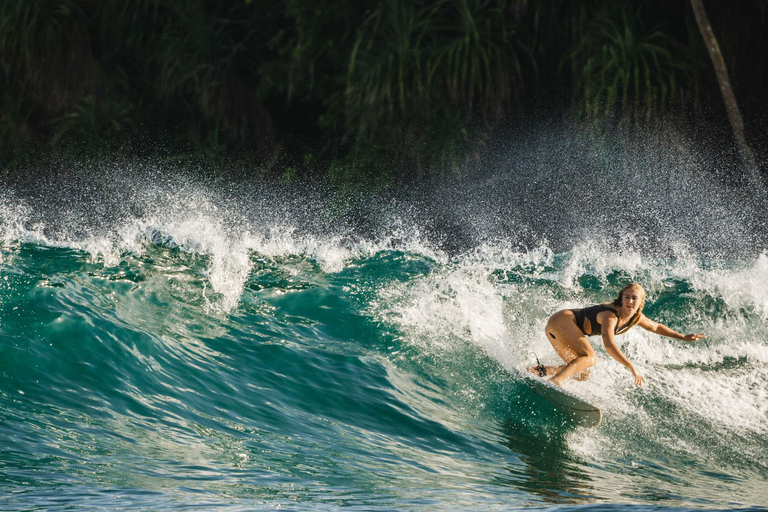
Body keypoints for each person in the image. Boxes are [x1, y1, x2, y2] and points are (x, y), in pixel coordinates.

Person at [530, 283, 706, 387]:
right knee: (590, 357)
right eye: (626, 297)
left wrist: (682, 337)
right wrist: (631, 366)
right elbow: (609, 344)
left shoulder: (636, 317)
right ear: (621, 299)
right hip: (563, 321)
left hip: (558, 329)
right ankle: (555, 381)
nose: (630, 301)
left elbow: (655, 326)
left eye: (634, 298)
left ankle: (540, 371)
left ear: (641, 302)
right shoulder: (610, 315)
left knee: (583, 374)